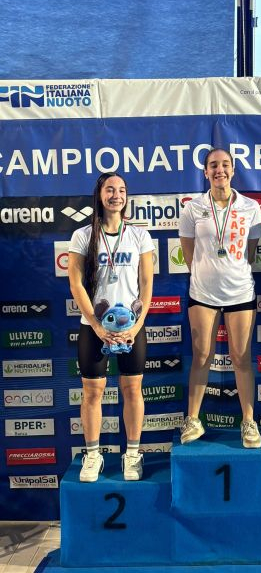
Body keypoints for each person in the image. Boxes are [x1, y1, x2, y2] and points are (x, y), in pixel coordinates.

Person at [68, 173, 154, 482]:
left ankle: (132, 454)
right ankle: (93, 455)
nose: (116, 195)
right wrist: (96, 325)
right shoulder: (82, 235)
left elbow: (147, 284)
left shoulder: (139, 235)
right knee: (93, 392)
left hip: (132, 328)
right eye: (110, 189)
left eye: (121, 190)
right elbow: (75, 283)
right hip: (94, 327)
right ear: (100, 195)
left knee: (132, 389)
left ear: (126, 197)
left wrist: (137, 325)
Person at [178, 148, 261, 448]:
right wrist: (207, 275)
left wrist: (229, 272)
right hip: (202, 293)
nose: (219, 170)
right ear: (205, 172)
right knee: (201, 355)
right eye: (213, 165)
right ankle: (193, 419)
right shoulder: (192, 208)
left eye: (225, 165)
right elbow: (189, 253)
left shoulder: (251, 207)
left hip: (240, 292)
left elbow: (250, 253)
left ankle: (248, 421)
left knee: (241, 357)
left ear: (233, 170)